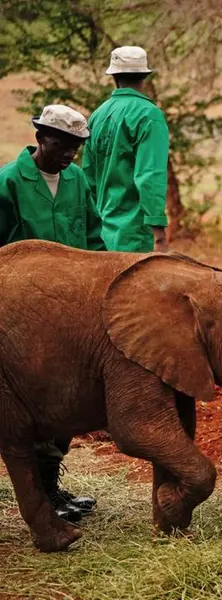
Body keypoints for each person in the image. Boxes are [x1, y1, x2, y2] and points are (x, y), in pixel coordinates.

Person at [0, 104, 105, 523]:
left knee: (67, 398)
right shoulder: (9, 181)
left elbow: (93, 235)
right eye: (62, 144)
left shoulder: (77, 179)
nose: (69, 155)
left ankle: (52, 488)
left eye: (76, 147)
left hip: (72, 307)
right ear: (41, 137)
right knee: (37, 401)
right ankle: (41, 497)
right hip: (25, 313)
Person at [82, 45, 169, 253]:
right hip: (136, 235)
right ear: (144, 76)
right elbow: (150, 175)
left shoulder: (97, 115)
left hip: (101, 235)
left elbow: (88, 178)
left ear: (114, 76)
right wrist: (158, 232)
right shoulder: (149, 115)